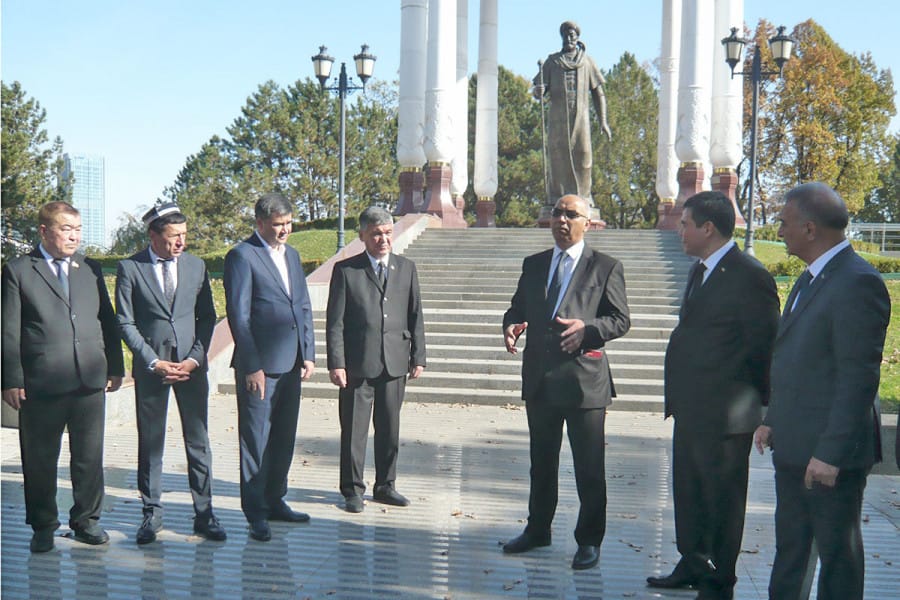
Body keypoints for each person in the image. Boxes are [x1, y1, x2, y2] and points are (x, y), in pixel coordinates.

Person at [755, 182, 890, 600]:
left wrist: (830, 454)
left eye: (784, 222)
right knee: (792, 551)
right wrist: (773, 420)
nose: (778, 230)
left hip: (829, 458)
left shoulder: (857, 282)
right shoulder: (813, 278)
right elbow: (798, 360)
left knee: (837, 560)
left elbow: (857, 378)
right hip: (796, 449)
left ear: (810, 229)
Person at [647, 192, 779, 600]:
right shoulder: (699, 270)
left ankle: (720, 581)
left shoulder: (749, 275)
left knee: (722, 501)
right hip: (691, 409)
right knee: (689, 494)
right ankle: (692, 562)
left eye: (685, 223)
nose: (679, 230)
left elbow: (765, 346)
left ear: (708, 228)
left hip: (728, 414)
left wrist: (766, 410)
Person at [501, 194, 630, 570]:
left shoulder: (605, 267)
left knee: (589, 467)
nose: (562, 219)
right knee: (541, 463)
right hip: (540, 380)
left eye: (571, 214)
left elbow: (620, 320)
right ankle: (537, 530)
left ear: (586, 224)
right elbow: (517, 307)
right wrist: (510, 325)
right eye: (557, 212)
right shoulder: (534, 264)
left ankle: (589, 541)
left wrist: (588, 330)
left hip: (584, 384)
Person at [1, 201, 124, 553]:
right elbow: (8, 329)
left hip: (89, 378)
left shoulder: (90, 269)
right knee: (39, 459)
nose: (74, 236)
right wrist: (11, 378)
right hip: (41, 382)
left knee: (88, 456)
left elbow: (107, 321)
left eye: (78, 230)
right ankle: (42, 525)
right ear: (44, 231)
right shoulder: (20, 270)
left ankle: (87, 521)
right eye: (66, 229)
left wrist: (115, 366)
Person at [115, 201, 225, 544]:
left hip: (191, 368)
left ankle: (204, 514)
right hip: (153, 368)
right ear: (153, 235)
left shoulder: (196, 266)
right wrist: (151, 361)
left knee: (198, 441)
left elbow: (207, 317)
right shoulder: (130, 268)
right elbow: (125, 320)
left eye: (185, 235)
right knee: (151, 443)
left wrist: (194, 358)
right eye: (174, 236)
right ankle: (151, 514)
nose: (181, 243)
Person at [224, 192, 316, 542]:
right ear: (260, 223)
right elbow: (239, 315)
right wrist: (251, 365)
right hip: (259, 367)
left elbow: (303, 306)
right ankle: (256, 512)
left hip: (291, 362)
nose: (284, 231)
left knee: (283, 438)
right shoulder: (241, 256)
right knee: (256, 441)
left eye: (289, 223)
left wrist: (308, 352)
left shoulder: (291, 255)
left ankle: (276, 500)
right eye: (278, 225)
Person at [326, 206, 426, 514]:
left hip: (395, 361)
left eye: (387, 233)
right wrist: (337, 363)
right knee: (354, 431)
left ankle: (386, 485)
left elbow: (415, 314)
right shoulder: (346, 271)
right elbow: (335, 322)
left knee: (389, 428)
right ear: (362, 237)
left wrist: (418, 355)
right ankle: (352, 489)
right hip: (358, 364)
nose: (383, 240)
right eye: (376, 234)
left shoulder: (406, 268)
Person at [534, 21, 612, 202]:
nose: (568, 39)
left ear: (577, 38)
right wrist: (538, 91)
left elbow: (599, 93)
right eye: (565, 35)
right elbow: (540, 88)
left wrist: (603, 121)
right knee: (558, 157)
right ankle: (557, 197)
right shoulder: (552, 62)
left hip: (581, 119)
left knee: (583, 156)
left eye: (572, 35)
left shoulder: (587, 62)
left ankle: (583, 197)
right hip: (558, 120)